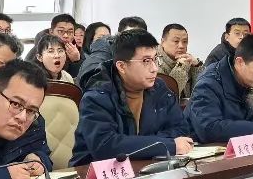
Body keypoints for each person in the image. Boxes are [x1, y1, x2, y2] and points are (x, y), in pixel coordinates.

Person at [72, 30, 194, 166]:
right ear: (122, 66)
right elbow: (106, 146)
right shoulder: (97, 95)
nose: (154, 68)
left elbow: (181, 129)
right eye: (146, 61)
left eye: (155, 59)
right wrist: (167, 145)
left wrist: (137, 144)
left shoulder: (159, 88)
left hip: (149, 166)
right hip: (94, 173)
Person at [185, 33, 253, 144]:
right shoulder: (208, 84)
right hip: (201, 148)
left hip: (239, 147)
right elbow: (209, 129)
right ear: (240, 62)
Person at [77, 16, 147, 88]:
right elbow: (93, 84)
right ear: (119, 36)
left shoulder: (144, 55)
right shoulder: (101, 53)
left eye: (139, 38)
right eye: (128, 36)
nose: (133, 42)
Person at [157, 23, 203, 98]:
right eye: (176, 41)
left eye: (184, 41)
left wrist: (197, 66)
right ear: (162, 42)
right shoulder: (153, 63)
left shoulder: (187, 60)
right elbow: (168, 97)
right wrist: (181, 68)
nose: (181, 46)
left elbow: (201, 93)